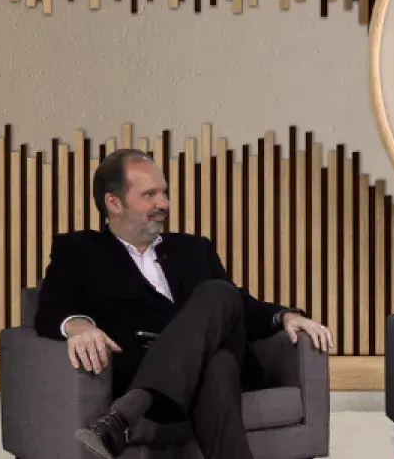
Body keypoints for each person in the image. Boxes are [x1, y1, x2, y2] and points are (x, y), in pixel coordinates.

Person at [33, 149, 334, 459]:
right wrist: (78, 325)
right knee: (217, 366)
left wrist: (284, 317)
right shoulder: (80, 251)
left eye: (164, 193)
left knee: (219, 293)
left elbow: (237, 304)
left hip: (177, 379)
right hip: (144, 368)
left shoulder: (193, 249)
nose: (163, 203)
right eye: (150, 194)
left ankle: (128, 412)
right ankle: (141, 399)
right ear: (114, 202)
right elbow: (50, 306)